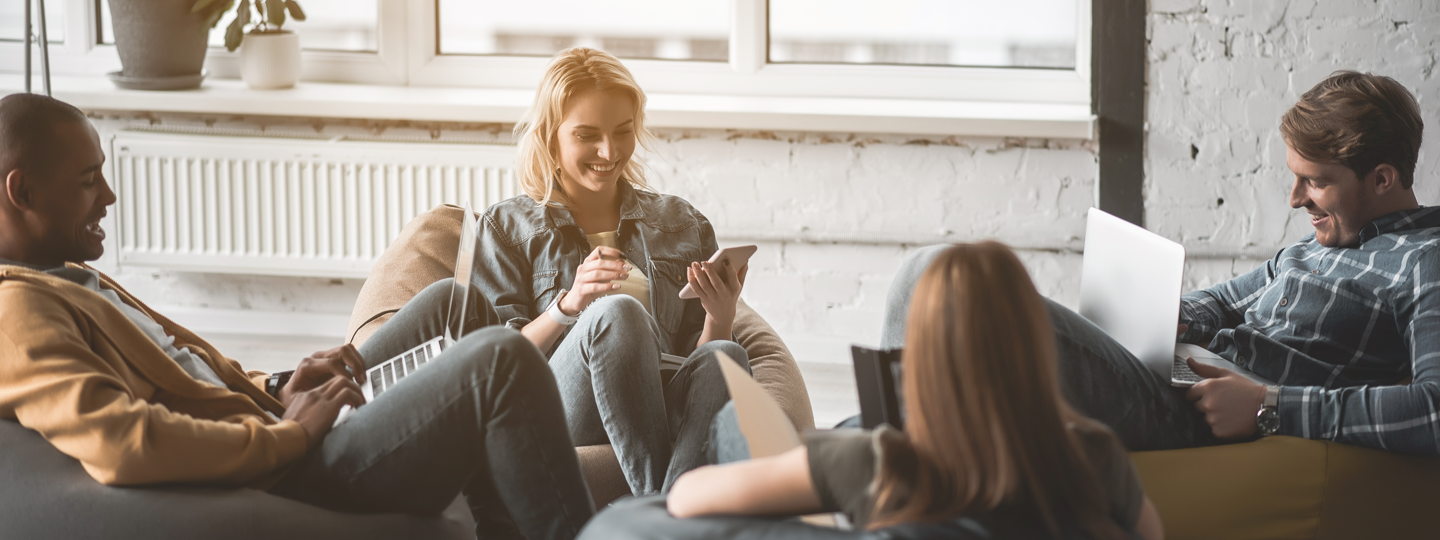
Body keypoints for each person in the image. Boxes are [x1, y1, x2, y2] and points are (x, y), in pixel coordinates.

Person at [0, 93, 594, 540]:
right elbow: (122, 442)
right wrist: (287, 435)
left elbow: (186, 377)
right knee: (500, 360)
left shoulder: (61, 273)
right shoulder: (15, 311)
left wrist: (282, 385)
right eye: (87, 181)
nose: (107, 195)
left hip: (272, 421)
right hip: (286, 469)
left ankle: (500, 526)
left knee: (454, 305)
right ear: (21, 192)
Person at [883, 71, 1440, 456]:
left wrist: (1270, 408)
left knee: (952, 286)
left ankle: (886, 457)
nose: (1295, 199)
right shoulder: (1317, 244)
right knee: (923, 276)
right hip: (1178, 373)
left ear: (1382, 178)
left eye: (1315, 182)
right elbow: (1221, 301)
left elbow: (1434, 411)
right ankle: (891, 449)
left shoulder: (1424, 260)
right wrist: (1172, 319)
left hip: (1202, 416)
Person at [589, 243, 1162, 539]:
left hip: (836, 468)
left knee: (729, 433)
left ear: (920, 365)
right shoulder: (1091, 455)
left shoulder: (883, 462)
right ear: (1038, 351)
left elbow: (688, 499)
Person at [474, 47, 750, 496]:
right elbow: (491, 366)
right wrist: (569, 305)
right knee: (616, 314)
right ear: (551, 137)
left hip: (658, 403)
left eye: (622, 132)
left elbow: (695, 366)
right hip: (559, 407)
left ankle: (664, 518)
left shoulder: (681, 224)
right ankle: (659, 506)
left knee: (729, 358)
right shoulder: (507, 230)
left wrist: (720, 317)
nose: (608, 151)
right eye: (587, 135)